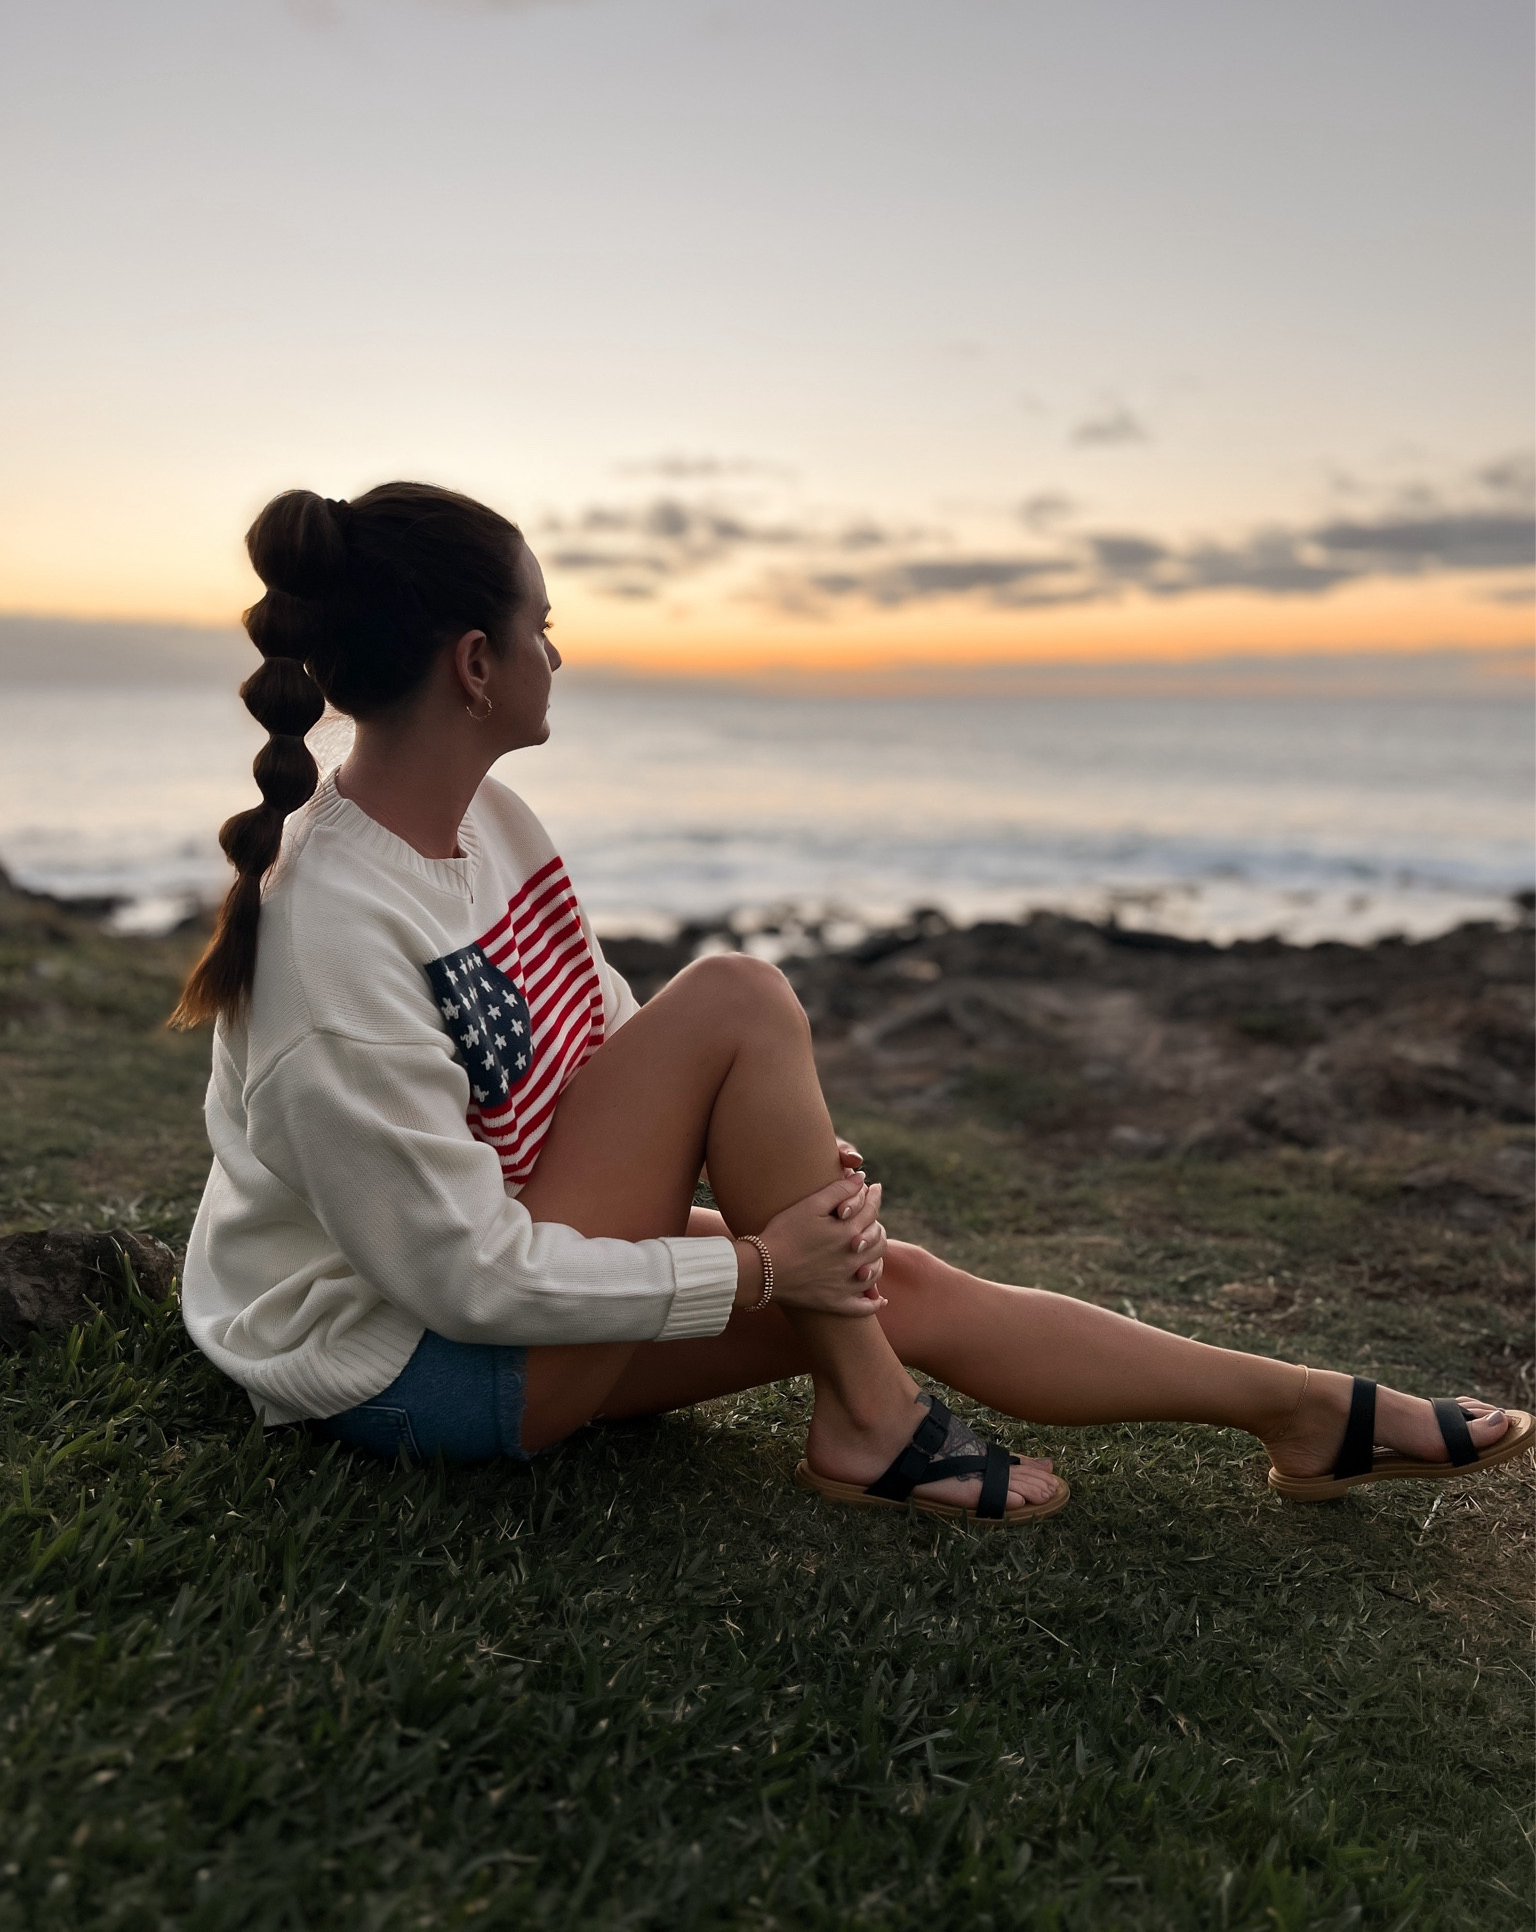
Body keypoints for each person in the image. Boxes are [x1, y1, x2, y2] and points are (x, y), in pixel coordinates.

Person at [175, 483, 1530, 1524]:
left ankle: (1310, 1415)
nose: (560, 654)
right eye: (544, 626)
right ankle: (874, 1428)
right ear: (477, 663)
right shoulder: (340, 935)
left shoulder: (493, 822)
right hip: (414, 1364)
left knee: (896, 1281)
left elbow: (594, 1031)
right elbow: (457, 1274)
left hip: (510, 1273)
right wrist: (763, 1263)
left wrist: (775, 1170)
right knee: (742, 997)